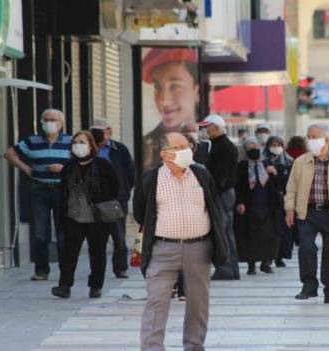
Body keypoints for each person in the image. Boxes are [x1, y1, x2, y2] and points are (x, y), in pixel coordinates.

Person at [133, 132, 229, 351]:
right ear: (164, 154)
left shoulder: (202, 175)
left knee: (198, 302)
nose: (186, 151)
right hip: (162, 248)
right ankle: (152, 347)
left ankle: (194, 346)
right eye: (178, 148)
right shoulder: (151, 179)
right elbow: (141, 213)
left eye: (187, 147)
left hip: (199, 248)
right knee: (156, 300)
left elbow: (213, 205)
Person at [285, 123, 329, 304]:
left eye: (314, 136)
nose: (310, 140)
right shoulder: (301, 162)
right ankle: (309, 286)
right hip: (308, 213)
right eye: (308, 136)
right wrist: (289, 209)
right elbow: (291, 188)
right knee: (306, 249)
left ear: (326, 139)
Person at [4, 109, 72, 281]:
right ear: (41, 122)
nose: (50, 122)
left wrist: (64, 169)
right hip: (40, 188)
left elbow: (82, 161)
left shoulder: (70, 141)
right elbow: (9, 153)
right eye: (47, 119)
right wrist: (26, 169)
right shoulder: (33, 141)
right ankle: (41, 270)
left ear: (61, 123)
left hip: (61, 189)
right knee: (40, 232)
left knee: (63, 230)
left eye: (54, 119)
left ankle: (66, 269)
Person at [51, 131, 119, 299]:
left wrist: (103, 201)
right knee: (69, 252)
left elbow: (116, 186)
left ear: (90, 145)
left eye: (82, 142)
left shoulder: (102, 164)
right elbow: (63, 191)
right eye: (75, 142)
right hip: (73, 215)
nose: (78, 145)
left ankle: (96, 286)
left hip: (97, 217)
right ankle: (64, 285)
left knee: (97, 252)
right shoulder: (69, 167)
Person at [89, 118, 134, 279]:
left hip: (116, 199)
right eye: (95, 131)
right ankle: (96, 268)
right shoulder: (86, 148)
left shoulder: (119, 149)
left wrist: (123, 192)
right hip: (94, 199)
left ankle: (120, 268)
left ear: (109, 132)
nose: (99, 134)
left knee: (119, 237)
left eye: (102, 131)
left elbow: (130, 172)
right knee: (96, 238)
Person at [142, 48, 200, 171]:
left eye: (175, 86)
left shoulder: (207, 142)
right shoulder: (147, 143)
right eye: (158, 87)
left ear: (197, 91)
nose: (164, 100)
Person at [200, 114, 240, 280]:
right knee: (225, 230)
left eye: (208, 127)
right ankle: (230, 267)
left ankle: (226, 268)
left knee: (221, 230)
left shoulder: (223, 146)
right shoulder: (220, 145)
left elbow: (220, 175)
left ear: (216, 128)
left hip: (222, 194)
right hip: (224, 192)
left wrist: (212, 193)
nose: (206, 131)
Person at [235, 138, 283, 275]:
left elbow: (278, 184)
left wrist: (274, 173)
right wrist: (239, 202)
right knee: (250, 237)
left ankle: (266, 263)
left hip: (268, 206)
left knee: (269, 236)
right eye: (250, 148)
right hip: (250, 207)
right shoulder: (241, 166)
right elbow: (237, 186)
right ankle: (251, 265)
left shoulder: (267, 163)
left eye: (256, 146)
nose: (254, 150)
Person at [262, 136, 294, 267]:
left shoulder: (289, 162)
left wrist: (276, 175)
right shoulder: (262, 161)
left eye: (278, 144)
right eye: (273, 144)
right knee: (270, 230)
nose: (275, 147)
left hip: (285, 200)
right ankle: (268, 258)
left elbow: (292, 181)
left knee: (284, 230)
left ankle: (280, 256)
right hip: (267, 201)